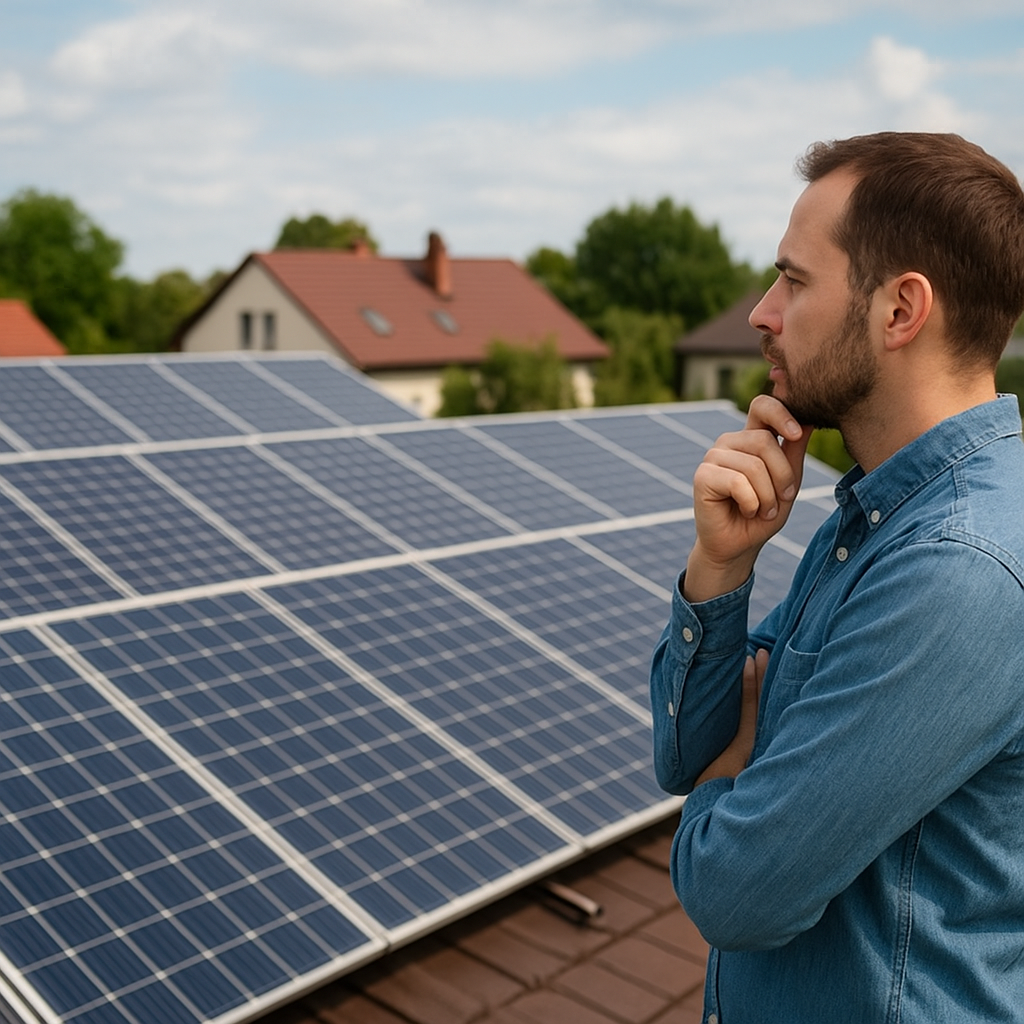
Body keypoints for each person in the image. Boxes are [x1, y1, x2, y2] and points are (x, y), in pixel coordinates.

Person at [650, 132, 1024, 1023]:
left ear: (900, 310)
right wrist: (722, 566)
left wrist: (728, 780)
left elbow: (734, 894)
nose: (762, 313)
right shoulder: (879, 512)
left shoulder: (955, 570)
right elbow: (684, 752)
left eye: (793, 280)